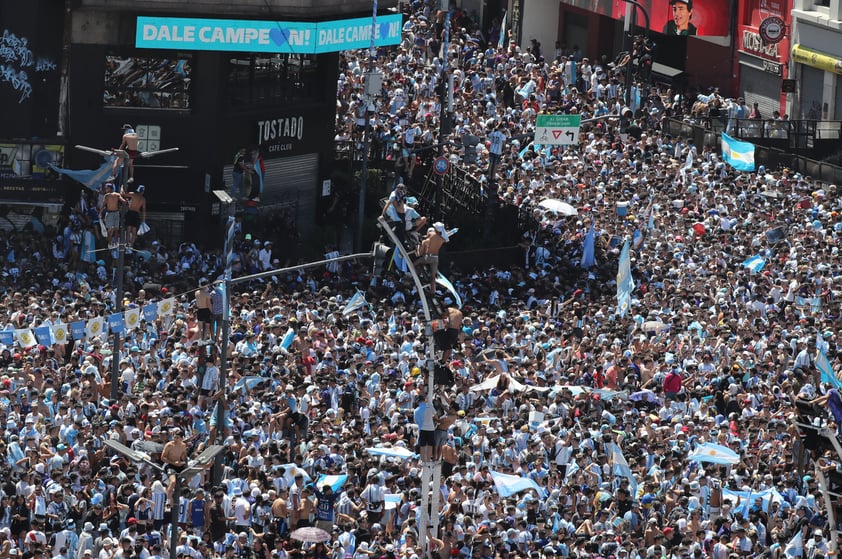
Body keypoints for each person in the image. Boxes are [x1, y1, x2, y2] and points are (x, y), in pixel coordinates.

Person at [414, 223, 449, 292]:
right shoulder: (443, 238)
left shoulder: (431, 234)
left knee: (414, 263)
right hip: (436, 259)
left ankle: (416, 275)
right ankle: (432, 292)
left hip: (428, 257)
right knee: (433, 277)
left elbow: (425, 238)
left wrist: (420, 236)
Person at [100, 183, 124, 249]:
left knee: (116, 229)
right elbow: (103, 205)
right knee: (110, 230)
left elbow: (123, 200)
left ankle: (116, 242)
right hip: (111, 213)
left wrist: (126, 201)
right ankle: (110, 243)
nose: (105, 189)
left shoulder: (114, 195)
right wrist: (100, 213)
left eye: (106, 188)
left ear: (110, 188)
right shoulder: (108, 195)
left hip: (115, 213)